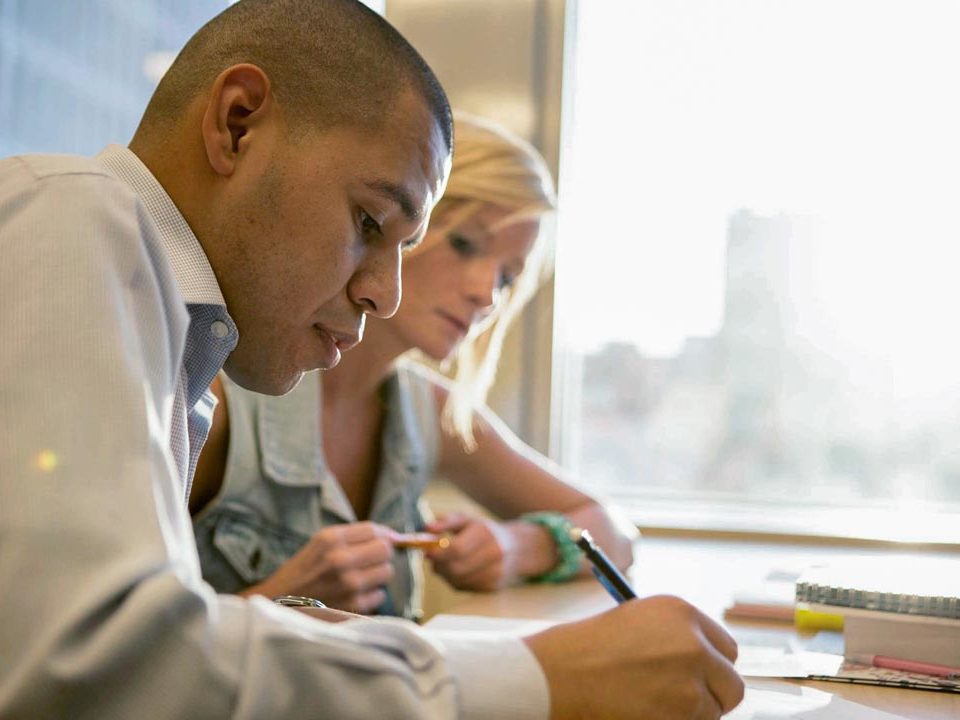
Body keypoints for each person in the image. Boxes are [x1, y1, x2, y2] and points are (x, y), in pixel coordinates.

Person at [0, 1, 744, 718]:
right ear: (236, 124)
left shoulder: (178, 342)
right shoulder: (72, 220)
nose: (385, 295)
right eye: (369, 222)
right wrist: (540, 679)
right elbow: (95, 665)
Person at [190, 113, 638, 620]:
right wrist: (281, 602)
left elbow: (615, 532)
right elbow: (122, 654)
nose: (484, 294)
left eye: (507, 278)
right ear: (399, 219)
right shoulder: (215, 396)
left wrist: (517, 547)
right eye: (466, 244)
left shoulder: (434, 412)